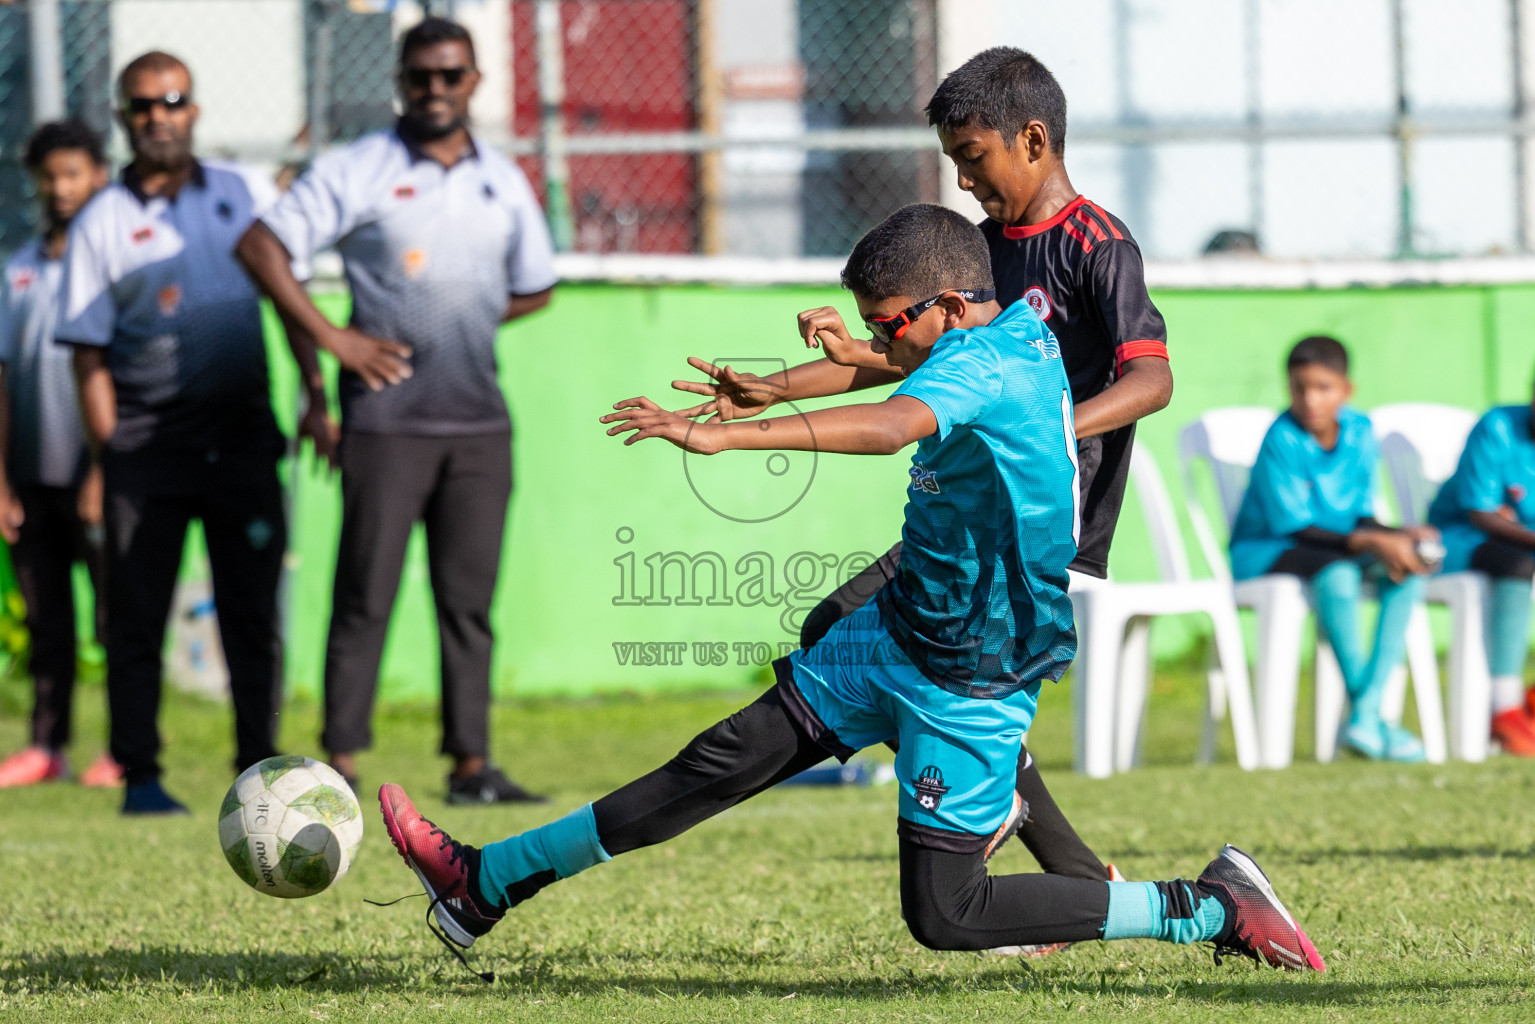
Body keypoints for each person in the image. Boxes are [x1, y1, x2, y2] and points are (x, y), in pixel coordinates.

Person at [376, 205, 1323, 977]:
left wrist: (727, 437)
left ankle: (1204, 907)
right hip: (899, 631)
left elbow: (887, 424)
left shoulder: (986, 363)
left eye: (886, 323)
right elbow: (905, 366)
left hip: (975, 668)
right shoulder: (996, 335)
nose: (875, 339)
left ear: (949, 304)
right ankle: (485, 880)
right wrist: (796, 378)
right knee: (717, 761)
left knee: (946, 914)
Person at [670, 48, 1162, 927]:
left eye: (972, 156)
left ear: (1033, 140)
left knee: (866, 645)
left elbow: (1150, 382)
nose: (963, 178)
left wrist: (1046, 430)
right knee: (840, 633)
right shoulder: (975, 257)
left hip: (1037, 523)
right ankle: (1067, 865)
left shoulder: (1097, 246)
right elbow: (911, 370)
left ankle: (1046, 852)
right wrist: (773, 387)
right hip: (966, 515)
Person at [236, 17, 557, 804]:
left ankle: (471, 765)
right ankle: (338, 761)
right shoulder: (359, 168)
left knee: (468, 604)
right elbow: (260, 246)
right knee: (364, 594)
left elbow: (535, 284)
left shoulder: (503, 178)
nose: (435, 90)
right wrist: (334, 340)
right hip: (385, 424)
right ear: (400, 82)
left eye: (451, 76)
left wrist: (461, 316)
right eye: (420, 77)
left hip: (479, 423)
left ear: (474, 82)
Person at [57, 52, 321, 814]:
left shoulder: (242, 192)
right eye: (141, 105)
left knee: (252, 615)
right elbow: (89, 359)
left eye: (171, 100)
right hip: (148, 448)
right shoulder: (102, 221)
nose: (158, 115)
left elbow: (288, 297)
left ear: (193, 109)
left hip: (243, 439)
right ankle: (141, 775)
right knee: (136, 620)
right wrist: (110, 460)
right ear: (123, 118)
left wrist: (313, 393)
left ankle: (257, 771)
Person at [1229, 336, 1435, 762]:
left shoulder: (1360, 431)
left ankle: (1366, 711)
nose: (1310, 399)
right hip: (1267, 550)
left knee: (1406, 565)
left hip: (1332, 546)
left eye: (1323, 387)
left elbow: (1357, 514)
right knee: (1339, 571)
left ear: (1346, 390)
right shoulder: (1280, 438)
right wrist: (1373, 539)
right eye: (1298, 388)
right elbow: (1297, 526)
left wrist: (1398, 533)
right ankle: (1370, 715)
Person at [0, 120, 119, 790]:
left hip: (101, 477)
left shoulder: (114, 265)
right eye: (50, 176)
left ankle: (129, 746)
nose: (62, 187)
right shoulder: (19, 269)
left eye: (73, 173)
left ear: (98, 175)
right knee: (48, 623)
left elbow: (124, 374)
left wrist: (105, 469)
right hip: (32, 476)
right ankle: (47, 746)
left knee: (116, 619)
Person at [1426, 388, 1535, 756]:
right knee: (1519, 562)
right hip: (1459, 541)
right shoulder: (1498, 426)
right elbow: (1480, 514)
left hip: (1519, 544)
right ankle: (1504, 709)